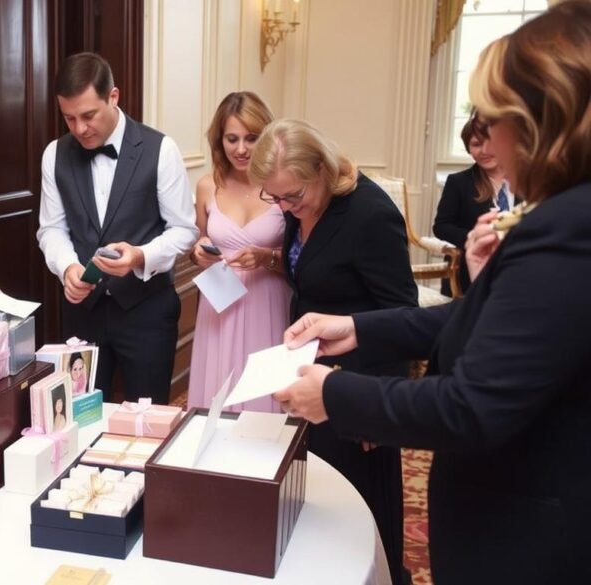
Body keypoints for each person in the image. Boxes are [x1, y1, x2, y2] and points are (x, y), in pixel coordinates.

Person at [274, 3, 591, 583]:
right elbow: (477, 319)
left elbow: (469, 408)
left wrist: (338, 396)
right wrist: (358, 328)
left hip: (526, 532)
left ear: (540, 122)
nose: (486, 137)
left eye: (494, 117)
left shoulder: (567, 229)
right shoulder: (561, 216)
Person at [248, 118, 417, 585]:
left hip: (359, 384)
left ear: (321, 169)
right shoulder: (294, 203)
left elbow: (401, 313)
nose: (284, 207)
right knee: (317, 504)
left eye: (292, 196)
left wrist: (377, 403)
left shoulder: (370, 214)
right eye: (275, 197)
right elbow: (309, 272)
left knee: (359, 515)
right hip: (312, 377)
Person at [37, 52, 197, 405]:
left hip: (148, 312)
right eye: (69, 118)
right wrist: (67, 267)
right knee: (80, 416)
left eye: (88, 115)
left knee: (147, 417)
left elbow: (184, 229)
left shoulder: (160, 149)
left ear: (114, 97)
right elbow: (51, 228)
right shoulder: (55, 154)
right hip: (83, 314)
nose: (79, 129)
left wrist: (141, 255)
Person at [187, 92, 290, 412]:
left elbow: (305, 257)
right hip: (220, 305)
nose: (241, 149)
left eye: (251, 138)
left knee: (264, 395)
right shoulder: (208, 185)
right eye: (232, 139)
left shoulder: (282, 185)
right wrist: (198, 251)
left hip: (269, 300)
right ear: (219, 140)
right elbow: (200, 243)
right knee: (219, 389)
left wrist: (266, 257)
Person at [432, 111, 513, 295]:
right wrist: (477, 238)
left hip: (517, 267)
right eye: (476, 144)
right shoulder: (458, 182)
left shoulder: (525, 181)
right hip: (468, 275)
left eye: (490, 143)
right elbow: (441, 226)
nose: (484, 150)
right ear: (469, 149)